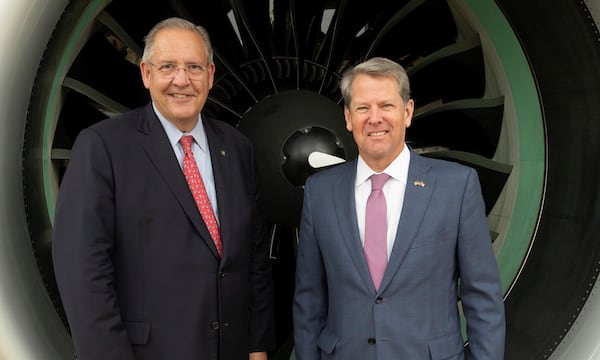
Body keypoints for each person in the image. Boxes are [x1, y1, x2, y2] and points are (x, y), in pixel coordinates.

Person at [52, 17, 275, 360]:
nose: (181, 80)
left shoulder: (236, 147)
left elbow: (253, 255)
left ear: (211, 75)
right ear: (145, 73)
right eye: (168, 66)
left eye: (194, 67)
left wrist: (258, 345)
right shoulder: (103, 146)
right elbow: (83, 271)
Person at [293, 57, 505, 360]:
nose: (374, 118)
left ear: (407, 112)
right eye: (363, 108)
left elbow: (482, 298)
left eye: (386, 106)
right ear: (348, 117)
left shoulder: (457, 186)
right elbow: (309, 300)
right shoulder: (320, 192)